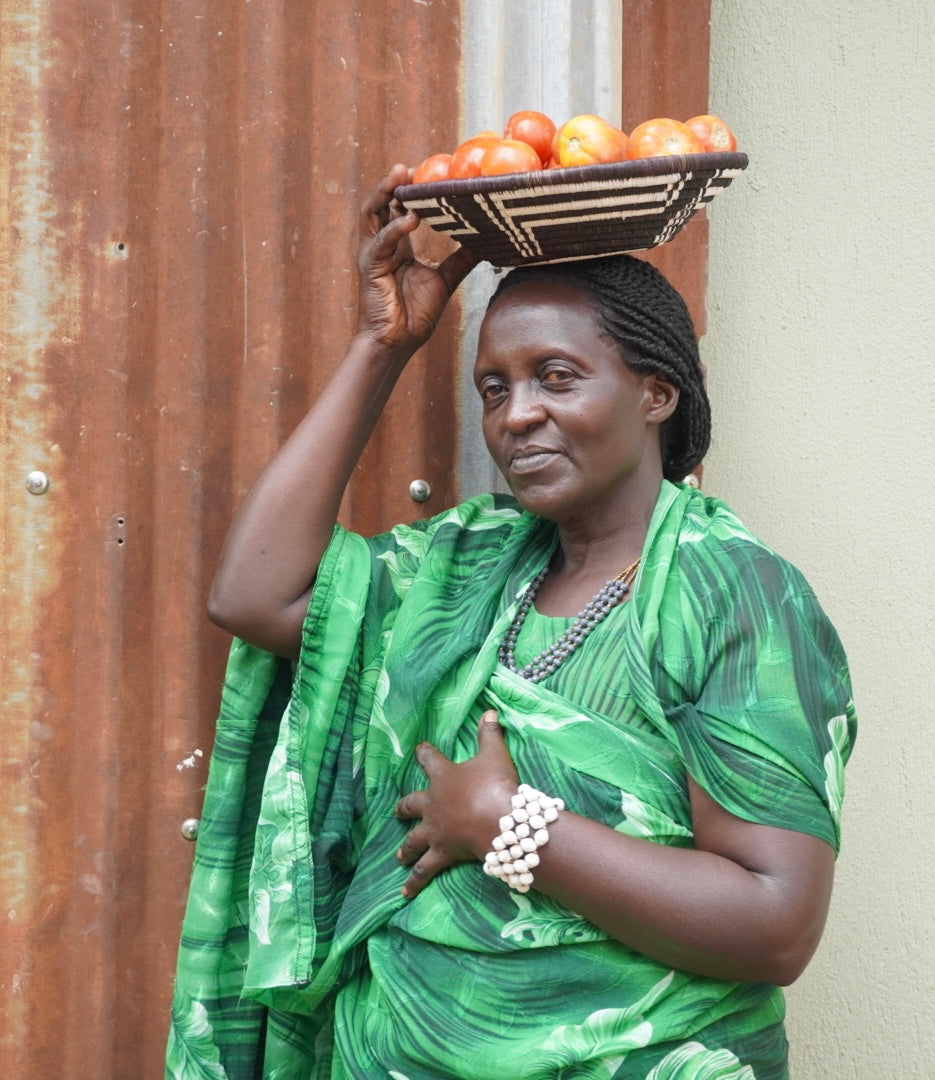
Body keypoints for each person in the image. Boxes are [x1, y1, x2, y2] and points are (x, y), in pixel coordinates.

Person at [166, 164, 856, 1080]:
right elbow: (256, 595)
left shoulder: (730, 593)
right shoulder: (470, 569)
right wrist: (384, 344)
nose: (518, 414)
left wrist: (507, 824)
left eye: (557, 377)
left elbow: (775, 926)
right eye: (493, 389)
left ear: (656, 393)